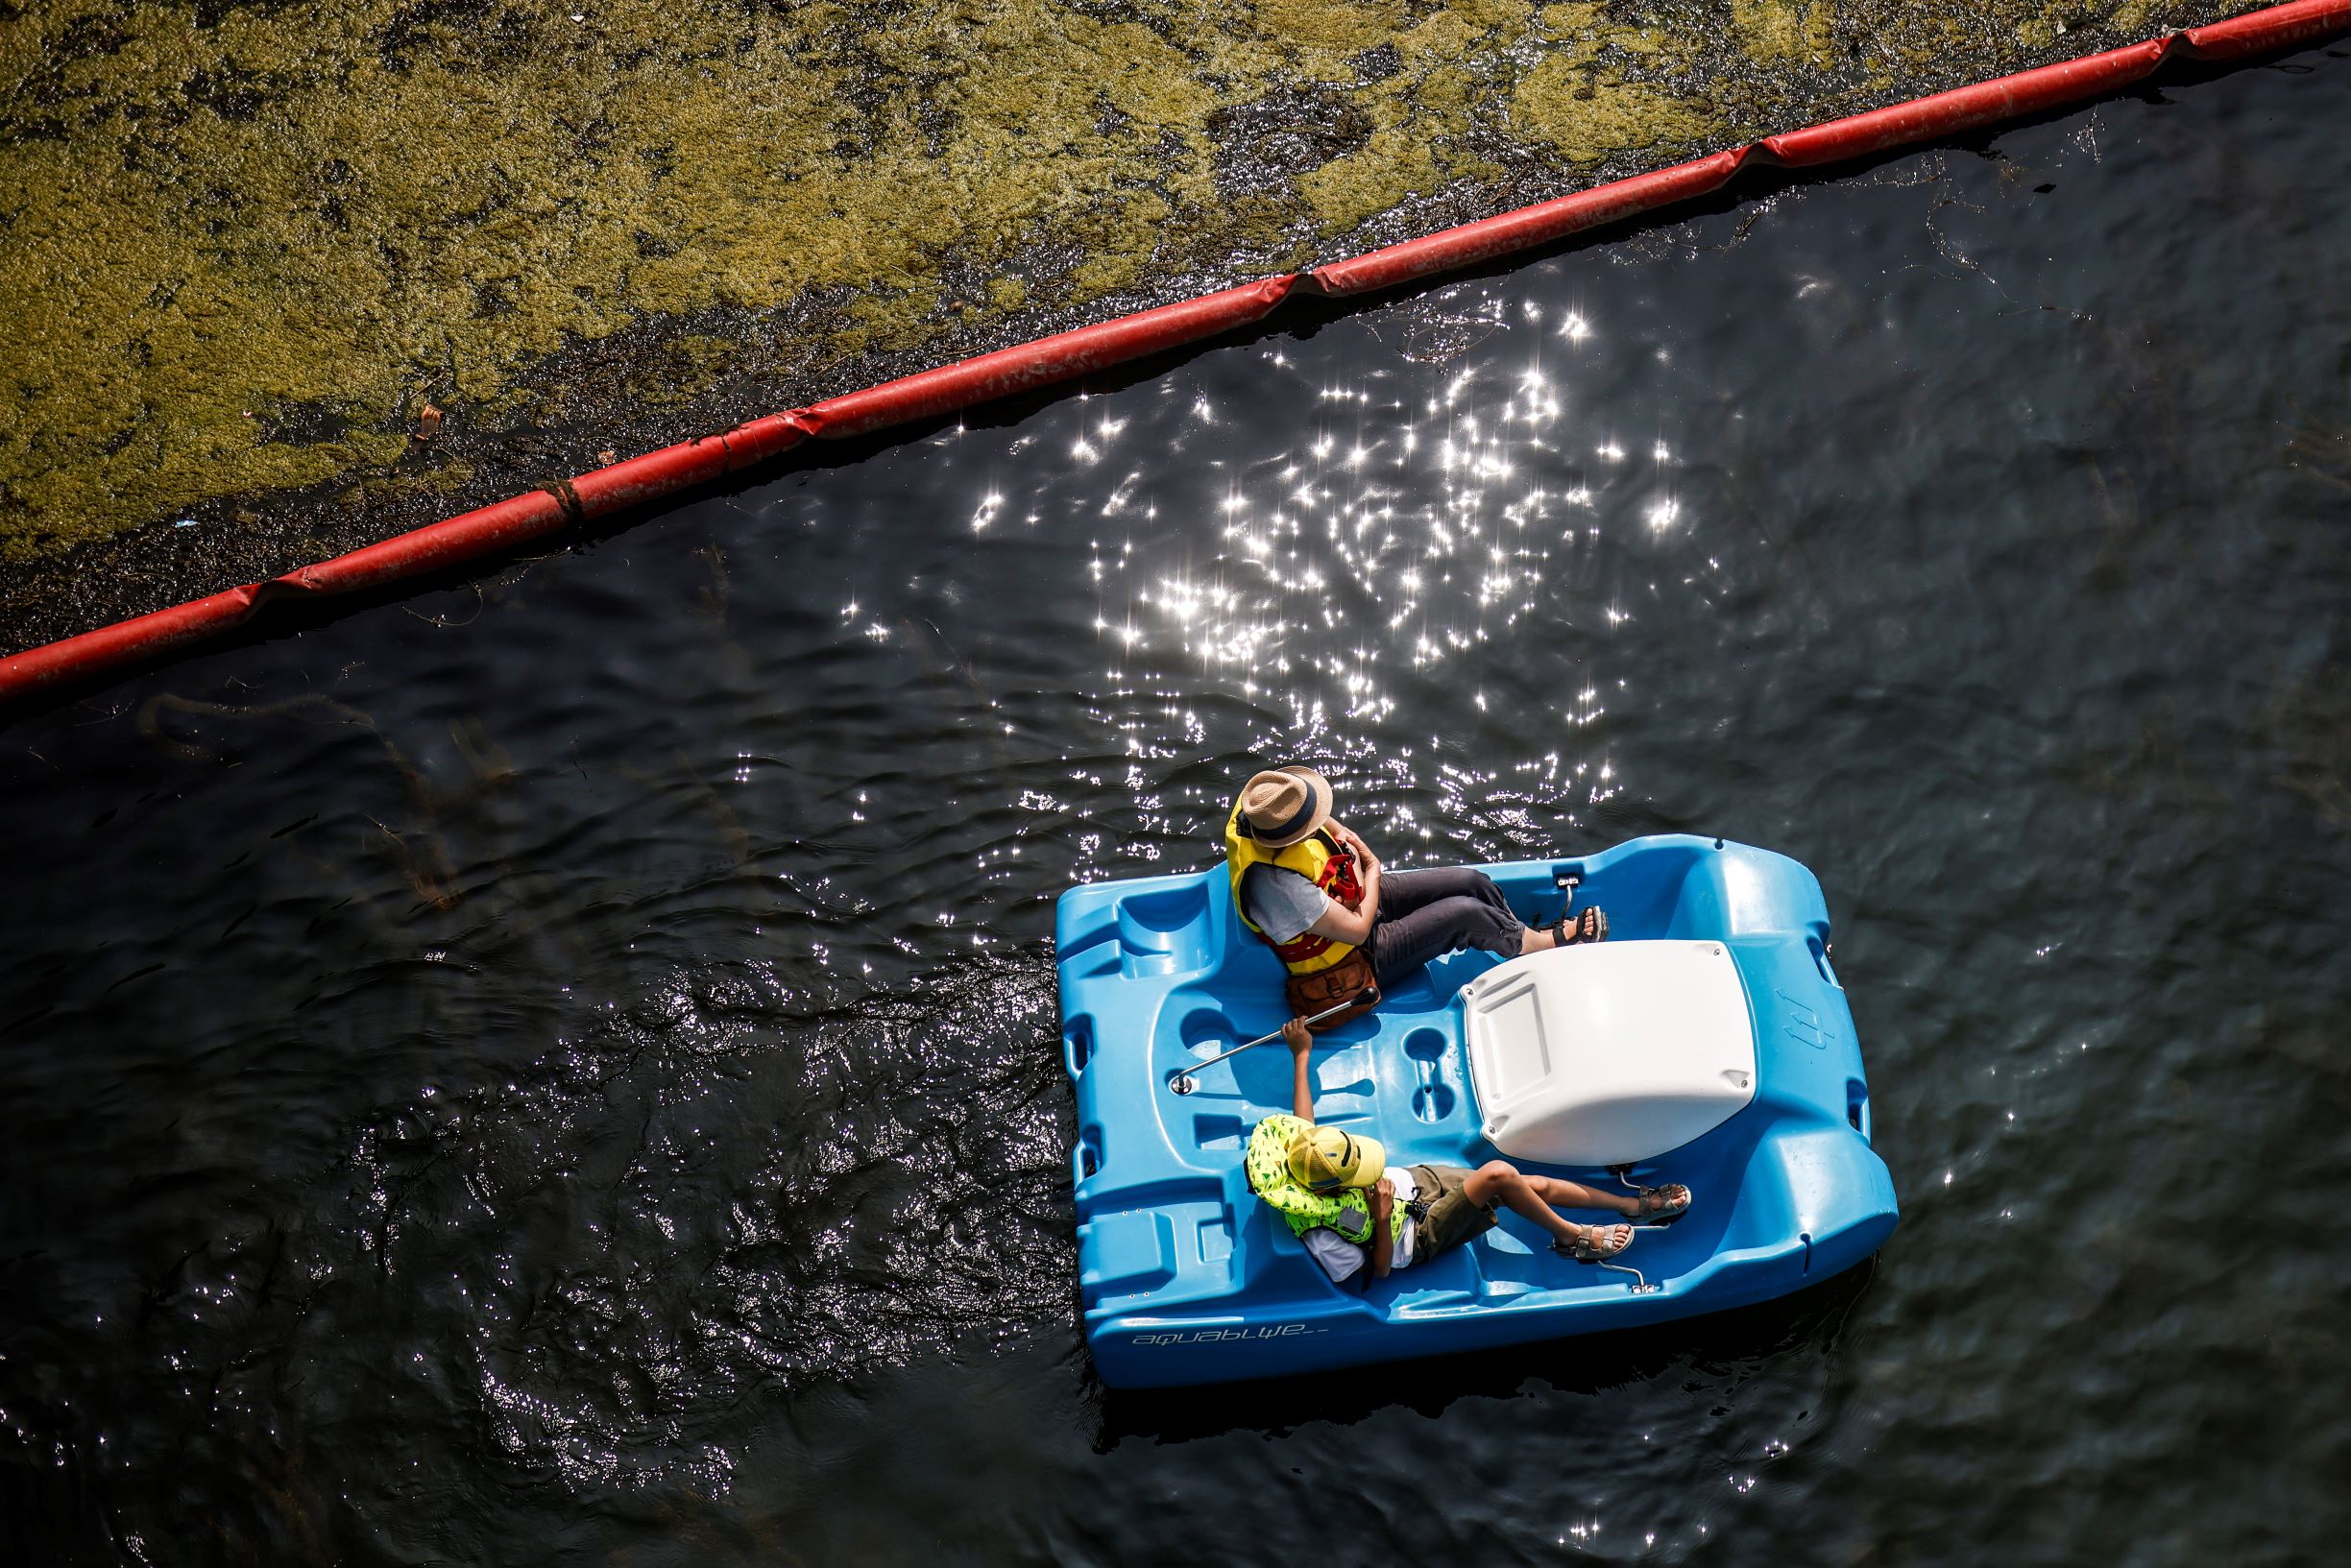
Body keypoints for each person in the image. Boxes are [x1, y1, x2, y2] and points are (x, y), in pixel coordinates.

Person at [1246, 1021, 1691, 1287]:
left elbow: (1303, 1122)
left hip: (1418, 1183)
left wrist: (1301, 1055)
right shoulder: (1319, 1230)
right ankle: (1571, 1237)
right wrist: (1381, 1218)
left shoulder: (1306, 1156)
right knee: (1499, 1175)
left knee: (1524, 1185)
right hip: (1410, 1235)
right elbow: (1375, 1272)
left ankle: (1630, 1205)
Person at [1224, 764, 1606, 1026]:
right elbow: (1356, 929)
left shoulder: (1268, 808)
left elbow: (1341, 835)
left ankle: (1509, 931)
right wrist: (1370, 869)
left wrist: (1358, 869)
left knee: (1471, 880)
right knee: (1464, 915)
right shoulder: (1277, 886)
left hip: (1352, 895)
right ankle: (1538, 943)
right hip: (1356, 952)